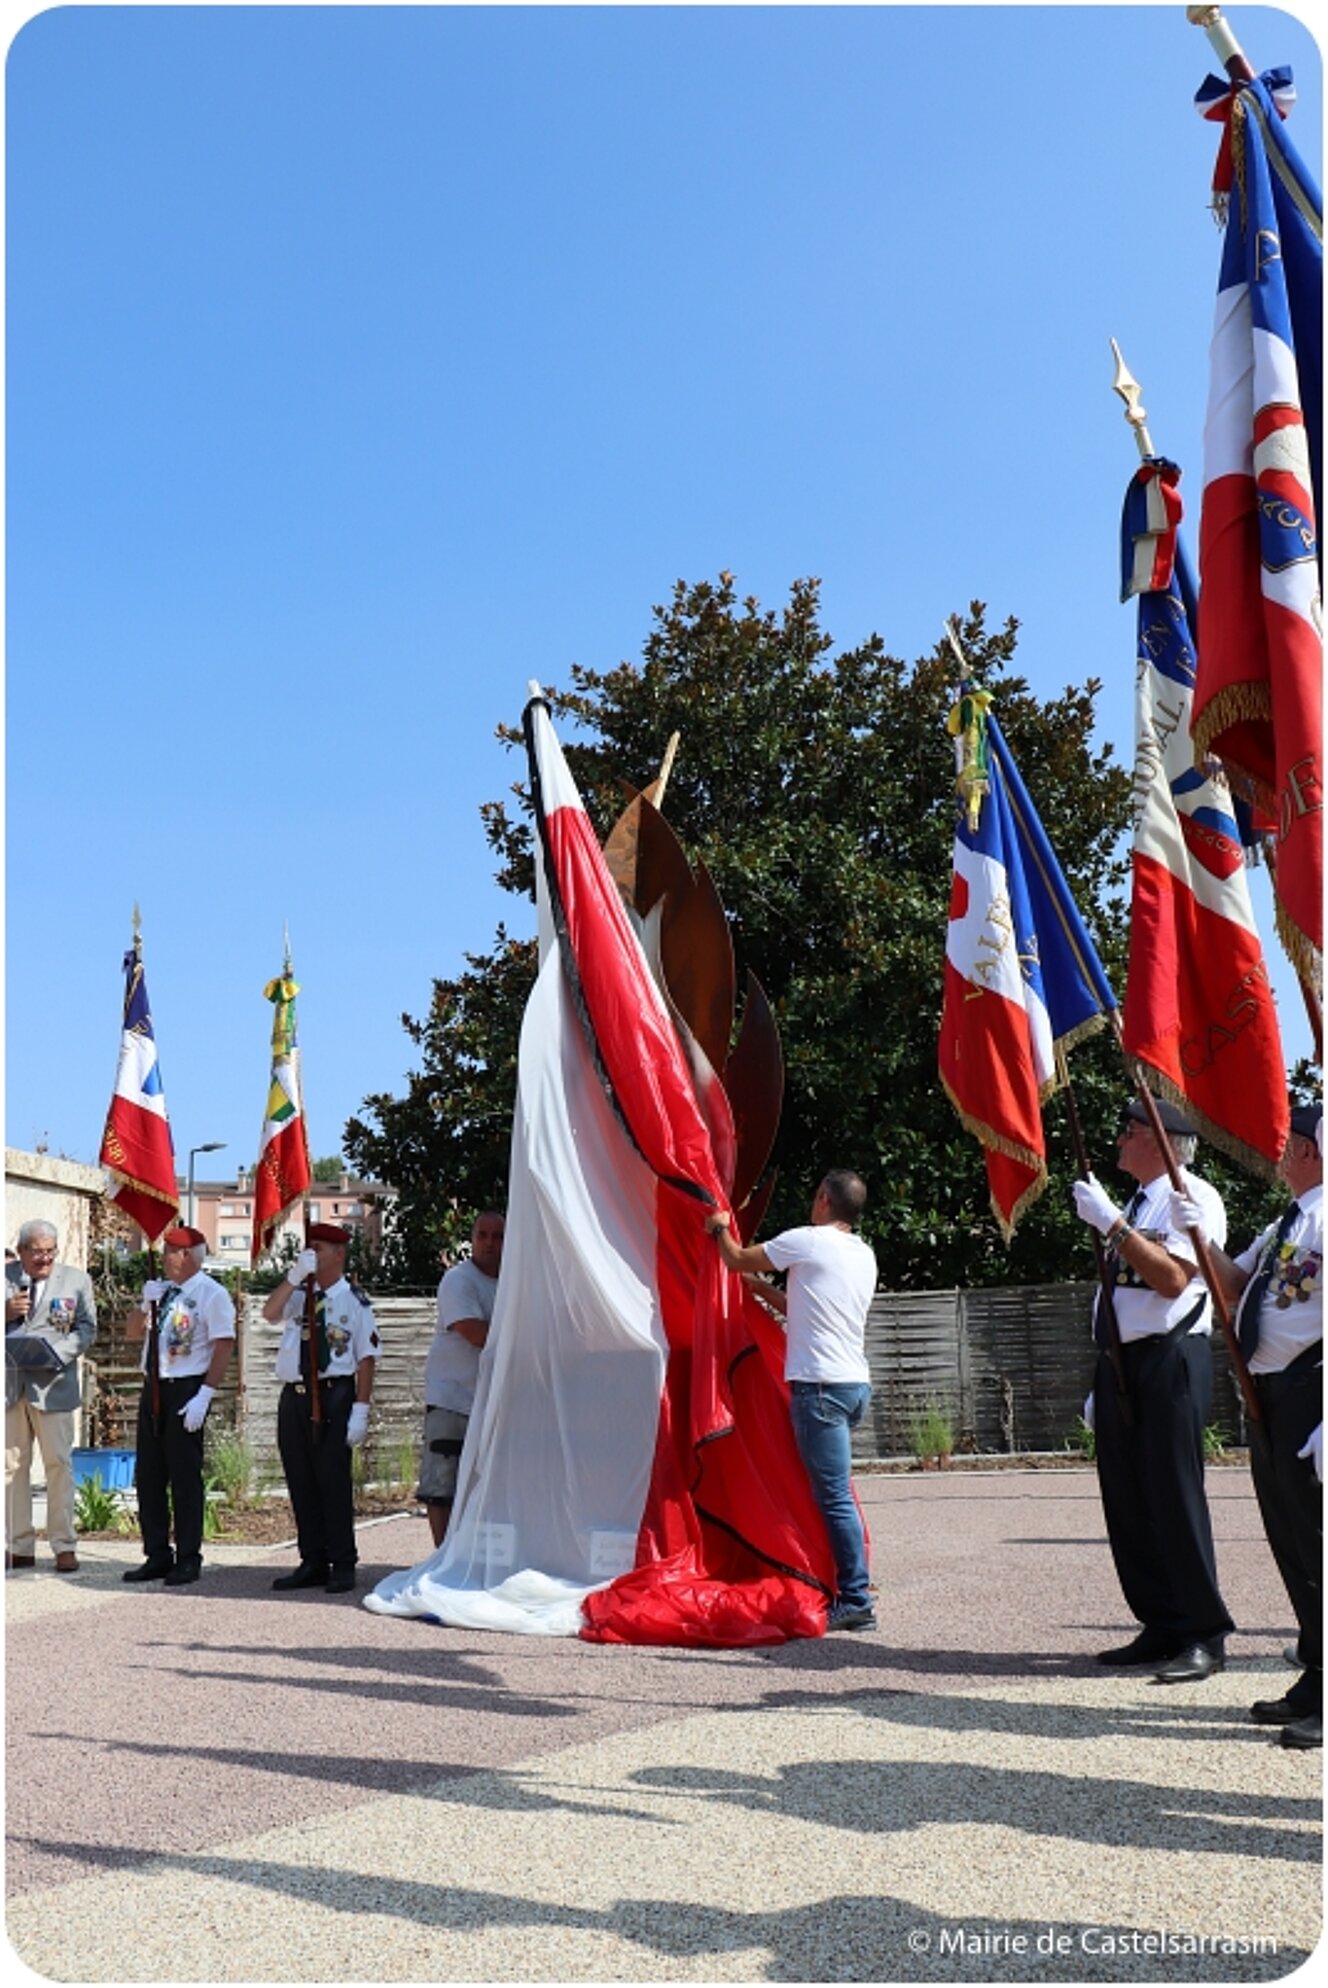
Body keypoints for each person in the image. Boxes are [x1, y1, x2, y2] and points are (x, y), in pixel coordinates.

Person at [1169, 1101, 1323, 1750]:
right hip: (1270, 1401)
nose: (1279, 1151)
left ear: (1313, 1150)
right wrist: (1200, 1237)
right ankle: (1317, 1676)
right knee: (1294, 1546)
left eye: (1290, 1142)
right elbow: (1233, 1286)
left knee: (1321, 1548)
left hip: (1313, 1393)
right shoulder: (1288, 1220)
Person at [1073, 1095, 1233, 1683]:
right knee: (1129, 1499)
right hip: (1124, 1363)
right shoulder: (1143, 1198)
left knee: (1173, 1496)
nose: (1118, 1139)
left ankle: (1203, 1632)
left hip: (1170, 1358)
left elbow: (1170, 1280)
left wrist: (1111, 1224)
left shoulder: (1192, 1197)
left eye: (1128, 1129)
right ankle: (1161, 1621)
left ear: (1160, 1138)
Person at [705, 1170, 877, 1631]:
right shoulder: (863, 1253)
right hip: (853, 1385)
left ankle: (856, 1598)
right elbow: (808, 1308)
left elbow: (738, 1259)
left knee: (833, 1496)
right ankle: (840, 1579)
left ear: (823, 1198)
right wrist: (762, 1292)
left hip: (819, 1388)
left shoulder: (808, 1240)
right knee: (831, 1492)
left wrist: (719, 1225)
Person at [264, 1222, 378, 1594]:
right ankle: (312, 1559)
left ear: (339, 1254)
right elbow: (269, 1312)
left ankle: (343, 1562)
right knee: (300, 1479)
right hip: (294, 1394)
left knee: (332, 1480)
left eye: (320, 1248)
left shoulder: (354, 1301)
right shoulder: (299, 1295)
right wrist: (294, 1275)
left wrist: (360, 1409)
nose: (312, 1253)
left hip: (335, 1394)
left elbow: (365, 1358)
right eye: (308, 1247)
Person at [122, 1225, 235, 1587]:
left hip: (186, 1388)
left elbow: (223, 1345)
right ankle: (157, 1554)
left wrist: (206, 1393)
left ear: (186, 1255)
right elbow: (132, 1332)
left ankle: (188, 1556)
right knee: (150, 1476)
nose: (165, 1255)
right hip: (153, 1386)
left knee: (185, 1478)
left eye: (169, 1249)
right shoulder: (163, 1292)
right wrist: (144, 1304)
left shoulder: (211, 1294)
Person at [5, 1220, 98, 1573]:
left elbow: (87, 1328)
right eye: (37, 1252)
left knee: (59, 1465)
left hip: (54, 1386)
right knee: (12, 1468)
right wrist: (6, 1313)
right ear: (22, 1250)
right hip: (12, 1387)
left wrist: (59, 1353)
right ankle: (19, 1545)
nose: (44, 1259)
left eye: (49, 1251)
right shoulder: (5, 1276)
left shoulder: (75, 1280)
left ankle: (63, 1545)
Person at [418, 1211, 504, 1549]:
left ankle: (473, 1557)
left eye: (498, 1236)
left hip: (492, 1399)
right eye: (482, 1235)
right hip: (452, 1398)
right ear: (471, 1238)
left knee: (485, 1486)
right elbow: (473, 1332)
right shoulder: (458, 1280)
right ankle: (442, 1557)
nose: (489, 1243)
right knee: (442, 1484)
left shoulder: (513, 1281)